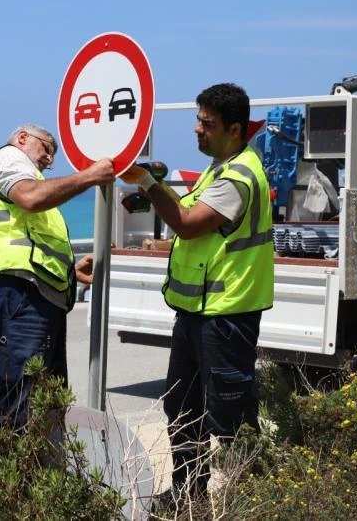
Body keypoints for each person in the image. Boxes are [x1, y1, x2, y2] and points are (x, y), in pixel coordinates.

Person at [121, 83, 275, 505]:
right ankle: (190, 494)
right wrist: (149, 190)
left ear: (235, 129)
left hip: (226, 314)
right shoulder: (218, 169)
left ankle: (257, 498)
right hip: (196, 311)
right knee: (183, 408)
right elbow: (188, 211)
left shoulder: (239, 176)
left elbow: (188, 224)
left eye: (206, 123)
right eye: (198, 120)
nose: (197, 129)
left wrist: (151, 184)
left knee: (231, 417)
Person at [0, 123, 115, 429]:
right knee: (19, 411)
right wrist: (90, 176)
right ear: (22, 138)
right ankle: (10, 477)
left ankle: (37, 475)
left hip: (31, 295)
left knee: (46, 407)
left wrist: (69, 272)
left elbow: (33, 241)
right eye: (47, 148)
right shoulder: (10, 158)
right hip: (16, 295)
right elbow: (30, 198)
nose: (50, 161)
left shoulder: (33, 178)